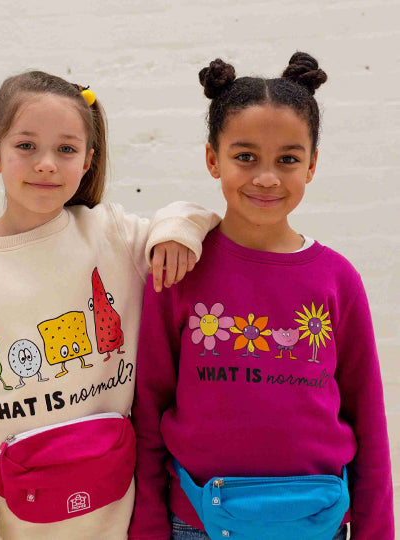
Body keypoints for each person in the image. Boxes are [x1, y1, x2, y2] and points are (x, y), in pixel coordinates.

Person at [0, 70, 221, 540]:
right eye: (26, 146)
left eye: (66, 149)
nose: (46, 163)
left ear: (88, 161)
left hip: (121, 518)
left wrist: (175, 233)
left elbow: (192, 215)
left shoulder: (112, 235)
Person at [129, 52, 394, 540]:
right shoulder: (178, 269)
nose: (266, 177)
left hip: (319, 525)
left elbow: (370, 423)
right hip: (197, 525)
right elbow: (147, 409)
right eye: (245, 156)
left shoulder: (338, 279)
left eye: (288, 159)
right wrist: (147, 527)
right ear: (213, 158)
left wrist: (377, 530)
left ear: (312, 165)